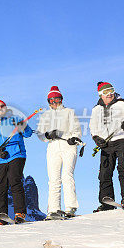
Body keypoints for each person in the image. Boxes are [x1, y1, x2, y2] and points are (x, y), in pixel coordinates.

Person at [0, 100, 33, 224]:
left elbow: (28, 134)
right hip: (0, 158)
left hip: (16, 154)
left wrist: (24, 126)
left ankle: (20, 213)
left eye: (2, 106)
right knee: (0, 186)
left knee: (15, 181)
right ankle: (0, 217)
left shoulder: (14, 119)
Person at [36, 86, 83, 219]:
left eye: (56, 99)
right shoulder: (45, 115)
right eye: (51, 100)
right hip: (53, 146)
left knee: (67, 175)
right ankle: (53, 209)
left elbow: (76, 129)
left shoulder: (69, 112)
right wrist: (47, 135)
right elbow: (40, 134)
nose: (54, 102)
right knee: (53, 178)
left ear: (61, 99)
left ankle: (70, 207)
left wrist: (74, 138)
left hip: (68, 145)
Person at [89, 81, 124, 210]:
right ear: (100, 95)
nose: (109, 94)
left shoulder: (122, 104)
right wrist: (96, 138)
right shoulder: (96, 109)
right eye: (106, 92)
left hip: (122, 139)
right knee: (105, 172)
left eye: (111, 90)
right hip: (106, 143)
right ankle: (106, 201)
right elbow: (93, 126)